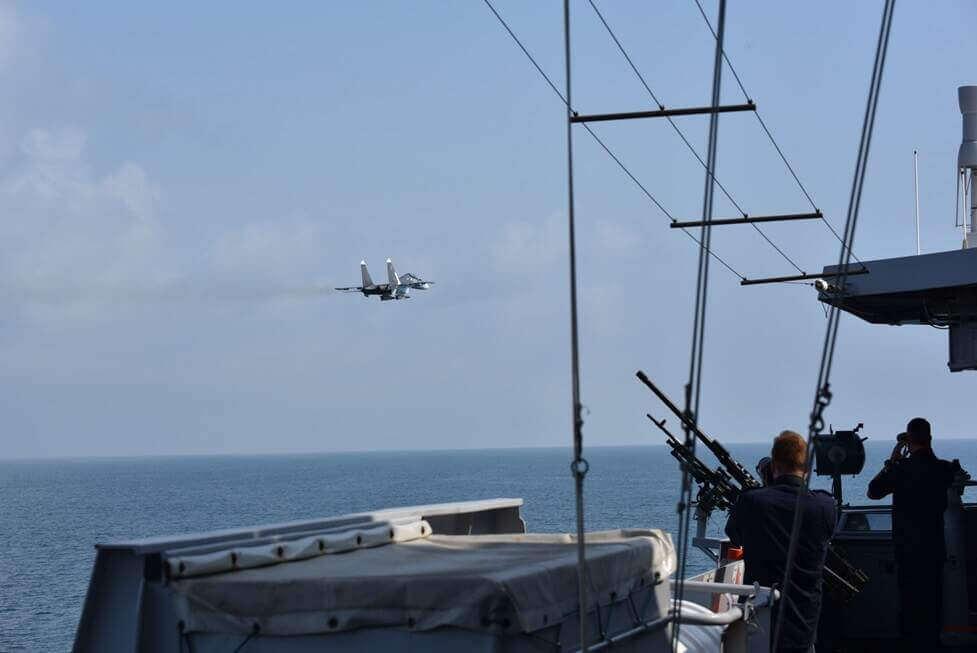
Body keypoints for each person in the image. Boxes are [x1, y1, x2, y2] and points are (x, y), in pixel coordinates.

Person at [726, 431, 836, 653]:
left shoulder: (750, 502)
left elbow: (734, 535)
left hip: (760, 620)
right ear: (806, 469)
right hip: (803, 626)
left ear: (774, 465)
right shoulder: (825, 506)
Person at [867, 417, 954, 652]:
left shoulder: (901, 470)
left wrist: (891, 462)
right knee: (933, 604)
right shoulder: (944, 469)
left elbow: (873, 492)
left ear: (909, 440)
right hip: (934, 548)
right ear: (930, 438)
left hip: (908, 550)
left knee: (910, 606)